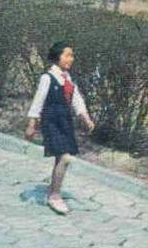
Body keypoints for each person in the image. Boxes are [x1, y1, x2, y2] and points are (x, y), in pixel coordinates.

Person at [24, 42, 95, 215]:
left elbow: (77, 99)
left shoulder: (68, 78)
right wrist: (32, 124)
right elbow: (38, 102)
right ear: (58, 56)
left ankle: (54, 188)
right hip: (51, 122)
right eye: (68, 55)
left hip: (65, 122)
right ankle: (54, 195)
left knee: (61, 158)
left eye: (72, 55)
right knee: (65, 157)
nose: (71, 59)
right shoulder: (47, 78)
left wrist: (85, 117)